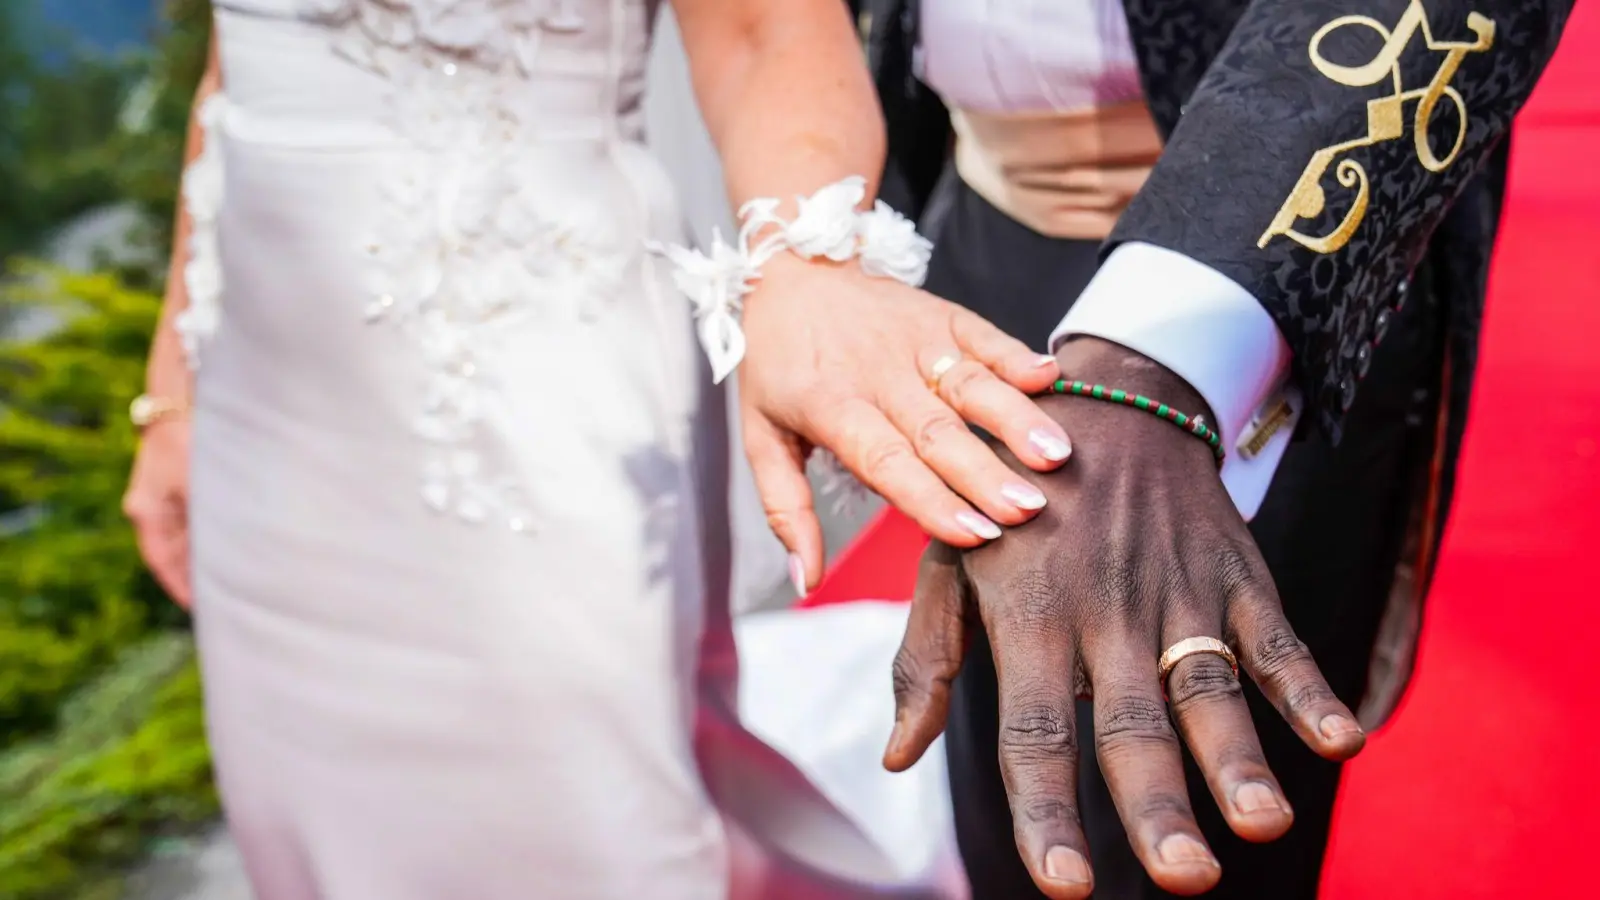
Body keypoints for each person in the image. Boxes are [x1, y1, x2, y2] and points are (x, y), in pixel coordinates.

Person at [118, 1, 1077, 896]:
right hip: (261, 386)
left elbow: (763, 35)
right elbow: (233, 70)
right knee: (311, 791)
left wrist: (804, 266)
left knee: (590, 795)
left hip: (525, 371)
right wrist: (173, 383)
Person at [872, 1, 1574, 898]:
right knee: (1008, 789)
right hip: (977, 248)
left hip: (1276, 263)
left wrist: (1155, 353)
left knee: (1201, 829)